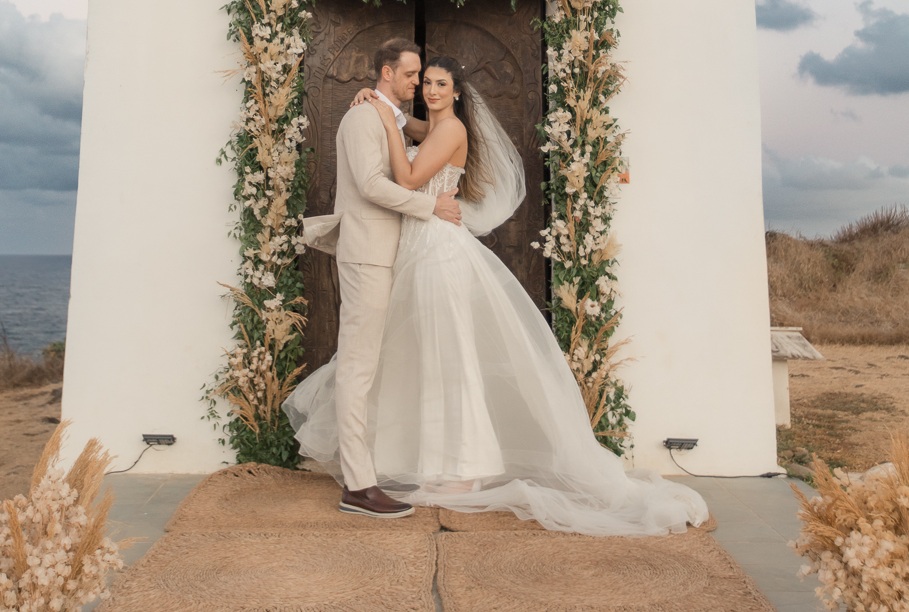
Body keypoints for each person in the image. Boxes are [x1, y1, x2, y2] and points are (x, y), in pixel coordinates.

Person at [286, 53, 709, 536]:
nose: (430, 89)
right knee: (425, 358)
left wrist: (385, 117)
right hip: (417, 245)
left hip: (436, 250)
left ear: (459, 92)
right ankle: (431, 462)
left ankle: (465, 467)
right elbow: (414, 129)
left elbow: (404, 178)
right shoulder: (430, 126)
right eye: (424, 82)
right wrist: (385, 109)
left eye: (440, 83)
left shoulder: (449, 131)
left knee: (452, 358)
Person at [314, 38, 464, 519]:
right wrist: (431, 205)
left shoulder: (392, 116)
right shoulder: (362, 117)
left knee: (371, 365)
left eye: (423, 77)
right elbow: (371, 185)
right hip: (367, 256)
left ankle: (369, 470)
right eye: (411, 75)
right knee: (358, 366)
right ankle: (358, 486)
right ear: (385, 72)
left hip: (390, 254)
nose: (418, 84)